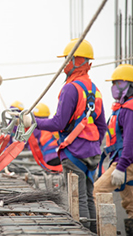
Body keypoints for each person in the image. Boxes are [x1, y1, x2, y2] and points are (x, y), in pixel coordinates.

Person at [33, 38, 106, 233]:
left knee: (78, 199)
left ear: (77, 60)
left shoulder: (70, 88)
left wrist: (34, 122)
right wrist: (93, 147)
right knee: (89, 197)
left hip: (74, 153)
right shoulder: (94, 90)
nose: (65, 64)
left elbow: (58, 123)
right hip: (92, 153)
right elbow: (101, 126)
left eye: (68, 59)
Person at [93, 64, 133, 235]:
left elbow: (131, 141)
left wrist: (121, 167)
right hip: (124, 161)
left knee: (98, 190)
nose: (114, 88)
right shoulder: (122, 109)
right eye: (114, 83)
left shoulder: (129, 109)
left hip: (126, 163)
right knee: (131, 204)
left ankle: (107, 231)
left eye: (119, 83)